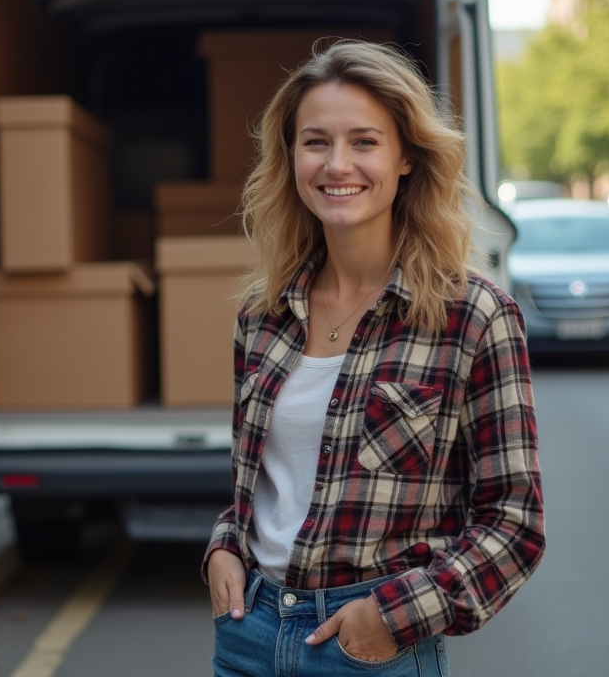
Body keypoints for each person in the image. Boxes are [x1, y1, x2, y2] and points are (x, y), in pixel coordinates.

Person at [203, 40, 545, 676]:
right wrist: (225, 547)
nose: (337, 164)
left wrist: (393, 616)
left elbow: (514, 526)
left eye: (364, 141)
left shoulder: (472, 317)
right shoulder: (263, 317)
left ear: (406, 157)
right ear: (290, 156)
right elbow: (263, 488)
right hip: (247, 635)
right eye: (315, 142)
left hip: (367, 649)